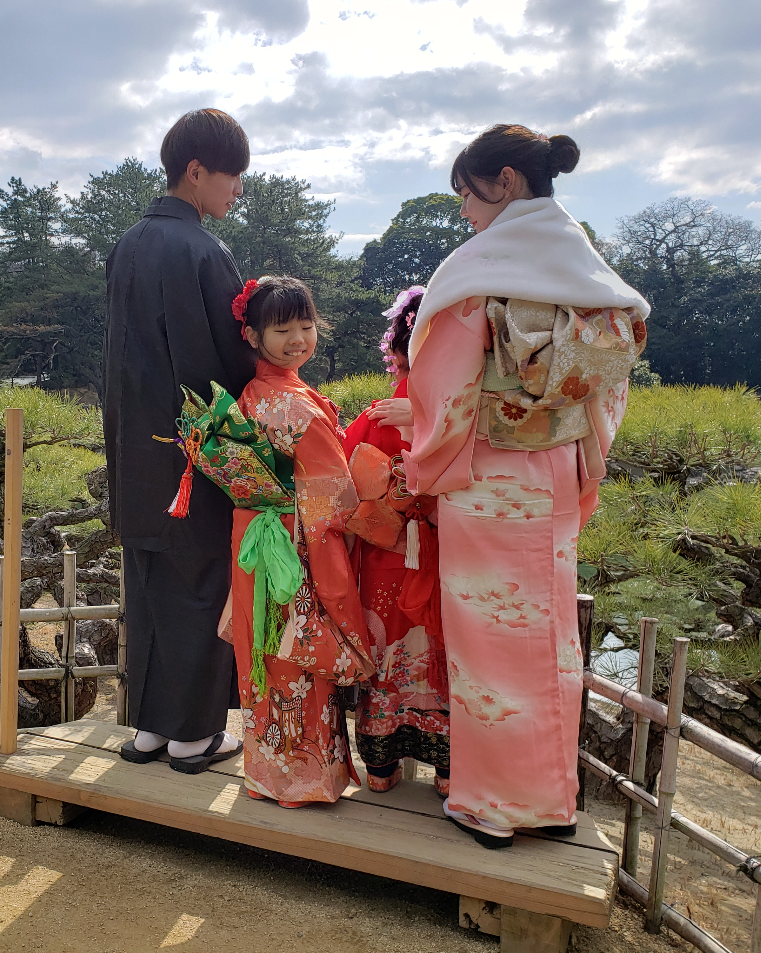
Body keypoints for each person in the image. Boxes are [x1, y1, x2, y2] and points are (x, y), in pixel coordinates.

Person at [398, 124, 649, 848]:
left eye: (468, 198)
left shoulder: (483, 264)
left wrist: (428, 462)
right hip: (558, 473)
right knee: (551, 638)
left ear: (504, 181)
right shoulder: (583, 260)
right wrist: (581, 449)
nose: (466, 215)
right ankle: (553, 798)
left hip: (488, 474)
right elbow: (607, 385)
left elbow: (443, 385)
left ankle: (495, 805)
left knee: (490, 643)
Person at [103, 109, 256, 773]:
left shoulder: (128, 244)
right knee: (201, 582)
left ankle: (149, 732)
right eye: (233, 176)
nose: (238, 191)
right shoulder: (203, 251)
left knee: (151, 585)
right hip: (196, 453)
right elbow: (226, 363)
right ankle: (193, 736)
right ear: (196, 171)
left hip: (134, 446)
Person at [228, 276, 375, 807]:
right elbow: (334, 494)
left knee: (274, 652)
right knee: (295, 653)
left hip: (264, 540)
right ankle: (302, 778)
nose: (298, 338)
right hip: (292, 547)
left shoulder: (267, 392)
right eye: (282, 329)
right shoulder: (285, 401)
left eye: (306, 326)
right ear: (253, 336)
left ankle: (274, 772)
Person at [342, 287, 450, 796]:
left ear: (398, 351)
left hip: (385, 555)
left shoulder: (376, 413)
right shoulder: (458, 417)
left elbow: (340, 484)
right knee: (443, 653)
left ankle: (381, 767)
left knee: (386, 654)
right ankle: (450, 769)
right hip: (445, 549)